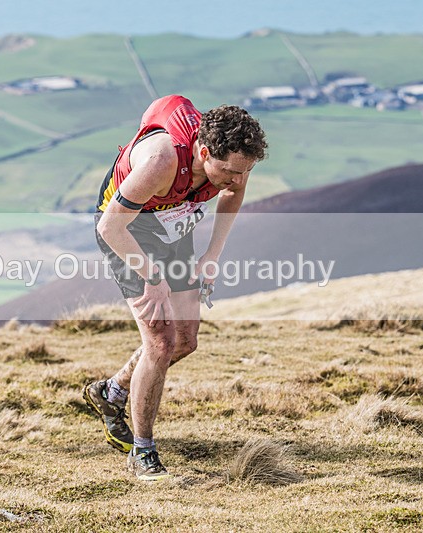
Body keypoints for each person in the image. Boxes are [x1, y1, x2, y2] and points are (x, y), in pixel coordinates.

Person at [84, 95, 267, 480]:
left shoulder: (235, 157)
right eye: (231, 171)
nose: (237, 178)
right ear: (204, 151)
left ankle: (112, 392)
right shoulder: (162, 162)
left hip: (173, 221)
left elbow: (233, 193)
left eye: (244, 171)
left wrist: (212, 255)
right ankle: (142, 452)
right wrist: (153, 278)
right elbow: (110, 227)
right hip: (128, 228)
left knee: (185, 339)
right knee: (161, 342)